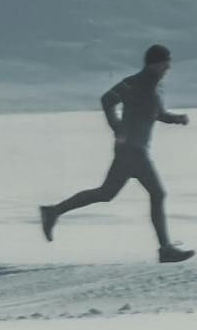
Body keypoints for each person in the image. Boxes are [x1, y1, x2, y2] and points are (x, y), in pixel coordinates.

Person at [41, 42, 189, 257]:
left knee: (106, 193)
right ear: (155, 64)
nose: (168, 69)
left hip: (134, 150)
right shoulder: (134, 83)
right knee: (157, 193)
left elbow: (157, 113)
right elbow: (107, 99)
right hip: (132, 150)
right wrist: (117, 127)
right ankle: (165, 249)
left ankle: (53, 211)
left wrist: (176, 119)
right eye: (165, 64)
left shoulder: (154, 88)